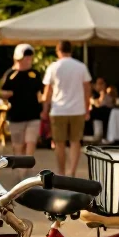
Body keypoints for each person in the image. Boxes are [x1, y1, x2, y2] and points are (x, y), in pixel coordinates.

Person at [42, 40, 92, 176]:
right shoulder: (81, 67)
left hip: (58, 110)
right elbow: (87, 89)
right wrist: (87, 108)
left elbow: (48, 91)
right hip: (78, 109)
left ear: (58, 51)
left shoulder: (53, 67)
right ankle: (72, 172)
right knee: (75, 141)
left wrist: (45, 110)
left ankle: (61, 171)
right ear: (71, 50)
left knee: (59, 143)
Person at [0, 44, 44, 159]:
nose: (28, 59)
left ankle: (27, 165)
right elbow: (1, 91)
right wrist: (7, 94)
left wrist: (44, 107)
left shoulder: (35, 74)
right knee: (18, 146)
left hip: (33, 115)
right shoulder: (10, 74)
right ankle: (20, 167)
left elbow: (40, 93)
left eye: (30, 56)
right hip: (16, 116)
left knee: (30, 142)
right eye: (26, 56)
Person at [89, 75, 114, 139]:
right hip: (95, 119)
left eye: (103, 83)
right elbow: (96, 104)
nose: (102, 85)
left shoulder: (109, 95)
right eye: (100, 83)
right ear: (94, 85)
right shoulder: (92, 95)